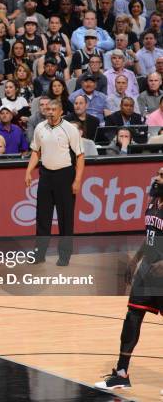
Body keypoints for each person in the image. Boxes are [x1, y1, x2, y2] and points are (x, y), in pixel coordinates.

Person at [95, 167, 163, 391]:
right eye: (157, 173)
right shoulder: (153, 201)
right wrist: (135, 261)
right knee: (132, 316)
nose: (156, 178)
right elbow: (150, 237)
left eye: (162, 175)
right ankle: (122, 373)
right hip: (147, 271)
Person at [25, 99, 84, 267]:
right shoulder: (39, 128)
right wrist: (28, 171)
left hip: (65, 175)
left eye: (53, 109)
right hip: (45, 175)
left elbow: (80, 156)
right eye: (47, 109)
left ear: (61, 112)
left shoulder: (70, 129)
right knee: (42, 216)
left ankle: (64, 255)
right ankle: (39, 253)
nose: (49, 111)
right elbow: (36, 151)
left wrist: (77, 180)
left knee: (66, 218)